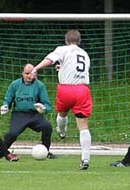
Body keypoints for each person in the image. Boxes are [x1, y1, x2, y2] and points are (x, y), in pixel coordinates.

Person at [32, 29, 92, 170]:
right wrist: (62, 68)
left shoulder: (62, 49)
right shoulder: (85, 54)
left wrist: (36, 68)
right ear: (79, 41)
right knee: (83, 126)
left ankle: (62, 131)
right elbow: (78, 70)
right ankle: (85, 158)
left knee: (62, 114)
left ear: (66, 41)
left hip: (65, 89)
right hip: (82, 90)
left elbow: (50, 59)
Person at [0, 63, 56, 159]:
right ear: (22, 73)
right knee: (12, 134)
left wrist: (43, 108)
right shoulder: (15, 84)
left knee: (47, 127)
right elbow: (8, 98)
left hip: (34, 115)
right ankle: (2, 152)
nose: (29, 76)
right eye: (27, 73)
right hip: (19, 114)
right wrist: (5, 106)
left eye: (31, 73)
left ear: (35, 74)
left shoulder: (40, 85)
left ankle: (45, 151)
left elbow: (47, 105)